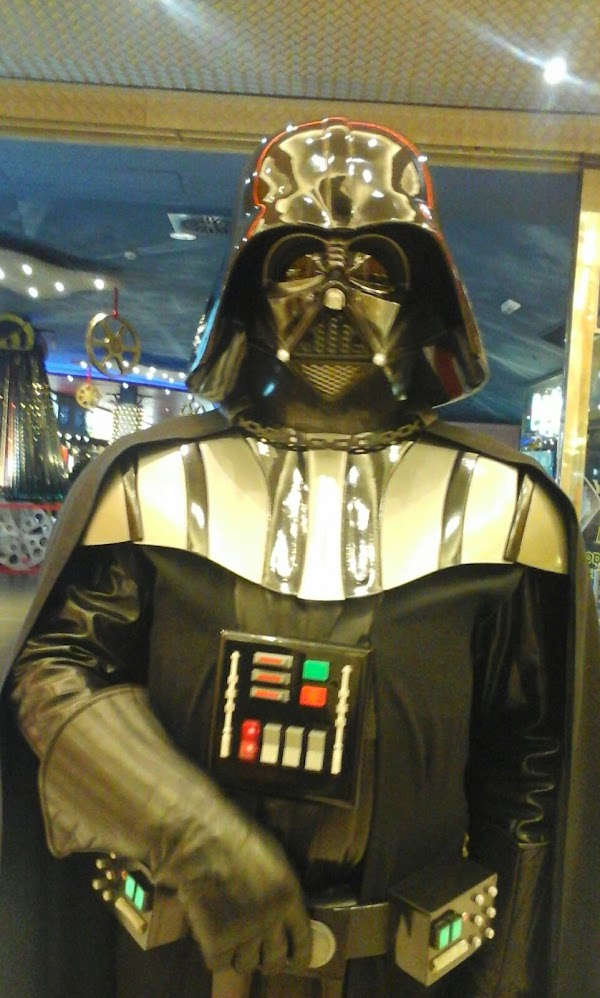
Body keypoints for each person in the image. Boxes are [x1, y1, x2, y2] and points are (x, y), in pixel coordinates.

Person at [6, 118, 600, 998]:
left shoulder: (509, 513)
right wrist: (190, 833)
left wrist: (508, 981)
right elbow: (55, 674)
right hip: (179, 960)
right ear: (248, 284)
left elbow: (531, 788)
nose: (332, 300)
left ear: (426, 294)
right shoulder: (147, 487)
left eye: (373, 268)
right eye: (297, 262)